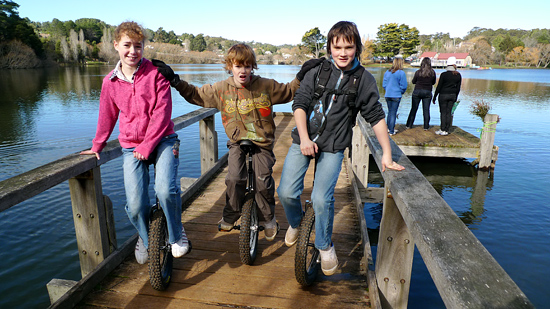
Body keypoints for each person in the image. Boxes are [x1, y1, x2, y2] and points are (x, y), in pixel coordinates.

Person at [153, 44, 320, 241]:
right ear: (229, 66)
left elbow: (288, 92)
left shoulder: (265, 86)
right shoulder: (221, 89)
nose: (243, 71)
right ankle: (231, 214)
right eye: (238, 66)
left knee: (263, 181)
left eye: (248, 66)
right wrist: (175, 81)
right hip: (236, 142)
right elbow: (196, 94)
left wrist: (301, 76)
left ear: (253, 67)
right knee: (234, 178)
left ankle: (268, 218)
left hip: (262, 143)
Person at [276, 21, 405, 276]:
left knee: (321, 199)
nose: (343, 52)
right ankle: (296, 223)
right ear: (330, 48)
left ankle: (324, 245)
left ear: (357, 47)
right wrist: (303, 139)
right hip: (304, 138)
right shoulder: (317, 71)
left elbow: (377, 117)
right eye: (337, 47)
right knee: (286, 193)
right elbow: (300, 104)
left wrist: (387, 155)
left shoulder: (364, 80)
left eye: (349, 46)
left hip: (334, 146)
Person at [80, 21, 190, 264]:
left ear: (143, 47)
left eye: (138, 46)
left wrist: (147, 145)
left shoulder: (156, 74)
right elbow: (106, 116)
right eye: (127, 45)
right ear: (116, 45)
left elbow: (162, 114)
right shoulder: (110, 82)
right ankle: (145, 236)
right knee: (136, 204)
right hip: (131, 146)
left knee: (165, 190)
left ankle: (176, 234)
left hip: (163, 140)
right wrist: (97, 145)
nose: (132, 51)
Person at [433, 56, 462, 136]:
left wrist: (434, 96)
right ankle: (446, 130)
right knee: (449, 113)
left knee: (443, 112)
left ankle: (442, 129)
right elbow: (458, 88)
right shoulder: (458, 75)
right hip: (452, 95)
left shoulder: (444, 75)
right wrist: (455, 97)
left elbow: (439, 87)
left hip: (443, 95)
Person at [405, 57, 436, 130]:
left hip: (417, 91)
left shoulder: (418, 72)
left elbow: (413, 81)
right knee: (426, 110)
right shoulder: (432, 72)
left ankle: (409, 125)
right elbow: (433, 82)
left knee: (414, 109)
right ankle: (426, 126)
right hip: (427, 92)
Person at [382, 55, 408, 135]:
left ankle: (389, 129)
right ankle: (392, 131)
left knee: (390, 112)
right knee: (393, 112)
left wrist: (388, 90)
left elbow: (384, 84)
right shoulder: (401, 73)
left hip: (388, 95)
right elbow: (404, 86)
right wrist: (401, 91)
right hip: (396, 95)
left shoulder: (387, 72)